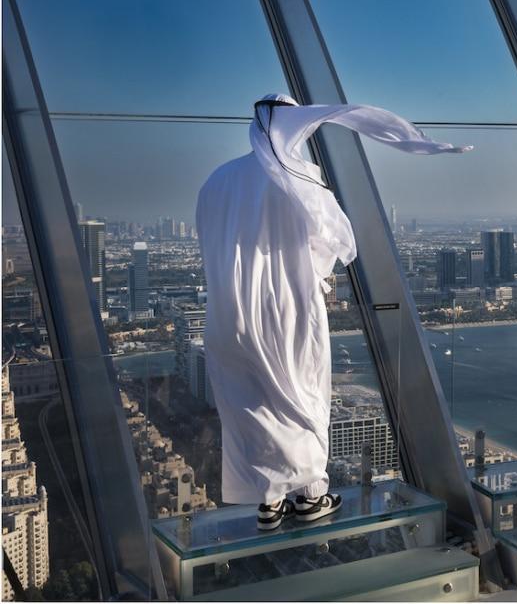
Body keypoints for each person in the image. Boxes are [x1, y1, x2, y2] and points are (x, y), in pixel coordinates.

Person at [196, 94, 470, 532]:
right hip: (286, 307)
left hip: (226, 313)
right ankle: (311, 495)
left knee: (249, 404)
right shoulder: (299, 177)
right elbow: (338, 242)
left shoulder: (217, 180)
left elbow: (208, 243)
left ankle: (268, 502)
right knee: (302, 397)